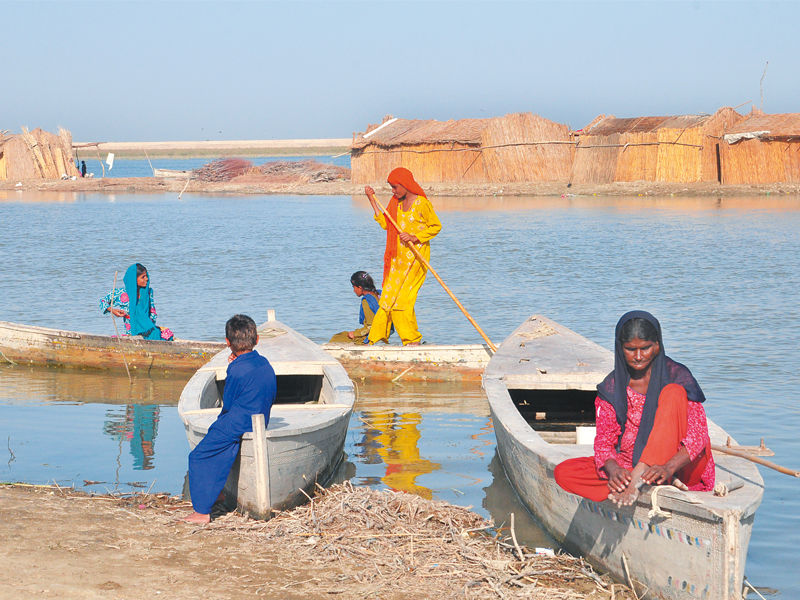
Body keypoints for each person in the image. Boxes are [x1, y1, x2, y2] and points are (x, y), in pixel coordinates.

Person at [554, 311, 715, 507]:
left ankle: (643, 480)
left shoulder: (676, 377)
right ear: (620, 348)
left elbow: (698, 436)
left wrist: (667, 467)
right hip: (629, 463)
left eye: (645, 348)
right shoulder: (612, 387)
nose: (638, 357)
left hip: (679, 465)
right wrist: (614, 471)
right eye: (630, 349)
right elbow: (604, 441)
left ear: (657, 345)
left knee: (673, 393)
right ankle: (639, 480)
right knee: (563, 472)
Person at [183, 314, 277, 524]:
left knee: (198, 457)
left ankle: (202, 512)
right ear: (257, 339)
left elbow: (229, 401)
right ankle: (216, 493)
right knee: (216, 440)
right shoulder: (264, 362)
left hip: (239, 420)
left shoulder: (236, 368)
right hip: (261, 417)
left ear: (227, 343)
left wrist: (232, 368)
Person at [364, 167, 441, 346]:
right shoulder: (396, 204)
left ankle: (412, 341)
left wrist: (415, 237)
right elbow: (386, 224)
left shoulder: (422, 203)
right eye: (391, 187)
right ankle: (374, 340)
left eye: (395, 187)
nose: (393, 191)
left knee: (402, 302)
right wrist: (371, 200)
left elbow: (436, 226)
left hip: (416, 260)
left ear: (406, 185)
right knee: (387, 299)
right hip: (398, 262)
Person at [100, 263, 174, 341]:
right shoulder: (121, 293)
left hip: (148, 329)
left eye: (146, 276)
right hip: (131, 332)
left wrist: (146, 325)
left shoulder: (148, 292)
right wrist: (113, 310)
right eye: (143, 277)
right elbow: (102, 301)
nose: (147, 279)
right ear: (134, 279)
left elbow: (153, 312)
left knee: (162, 333)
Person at [329, 271, 382, 344]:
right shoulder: (379, 295)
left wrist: (355, 334)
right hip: (380, 334)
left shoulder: (367, 301)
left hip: (369, 337)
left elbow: (371, 326)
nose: (354, 291)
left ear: (360, 288)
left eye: (354, 287)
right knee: (343, 335)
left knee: (336, 338)